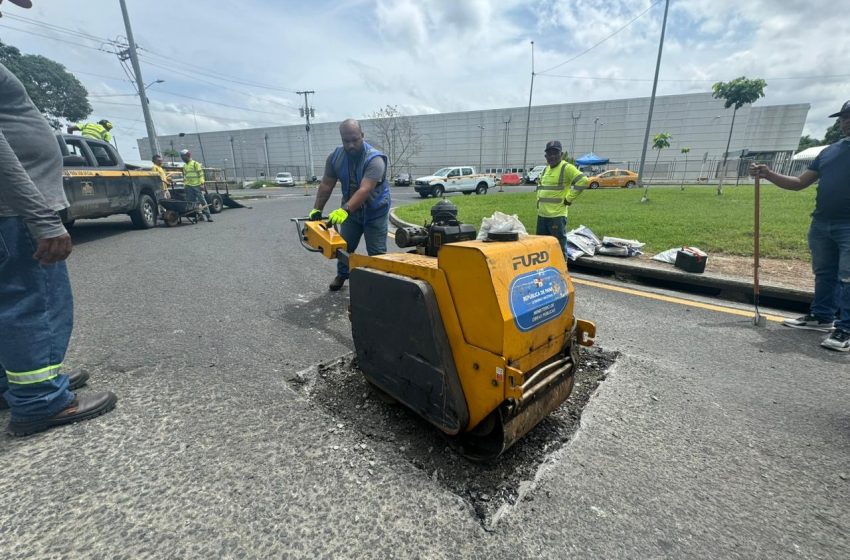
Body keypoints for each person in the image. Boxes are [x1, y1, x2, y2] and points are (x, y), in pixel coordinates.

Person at [0, 57, 117, 434]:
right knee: (33, 302)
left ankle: (15, 387)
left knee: (9, 301)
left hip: (11, 209)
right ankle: (40, 400)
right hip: (13, 211)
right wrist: (40, 215)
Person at [750, 100, 850, 352]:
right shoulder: (828, 152)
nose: (846, 122)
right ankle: (822, 316)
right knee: (825, 272)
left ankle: (845, 328)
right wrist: (768, 174)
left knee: (848, 277)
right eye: (843, 118)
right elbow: (798, 182)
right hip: (823, 221)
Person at [308, 119, 391, 291]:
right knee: (345, 246)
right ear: (341, 139)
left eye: (355, 139)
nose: (351, 144)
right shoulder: (335, 157)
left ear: (362, 136)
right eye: (346, 141)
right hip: (351, 213)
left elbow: (365, 189)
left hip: (374, 211)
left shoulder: (375, 160)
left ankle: (382, 284)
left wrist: (345, 210)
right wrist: (317, 209)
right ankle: (342, 274)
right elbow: (326, 185)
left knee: (377, 251)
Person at [536, 140, 588, 258]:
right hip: (542, 215)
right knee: (541, 246)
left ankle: (561, 271)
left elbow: (583, 180)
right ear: (546, 156)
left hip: (556, 216)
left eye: (555, 153)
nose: (552, 156)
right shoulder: (545, 169)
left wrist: (569, 199)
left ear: (561, 154)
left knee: (558, 246)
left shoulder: (566, 167)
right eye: (550, 154)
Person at [180, 149, 212, 223]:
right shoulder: (184, 166)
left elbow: (201, 174)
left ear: (188, 156)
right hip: (188, 186)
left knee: (202, 201)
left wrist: (202, 184)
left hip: (197, 185)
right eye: (181, 157)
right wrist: (185, 185)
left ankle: (208, 216)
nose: (182, 159)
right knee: (192, 202)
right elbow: (186, 176)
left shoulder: (195, 164)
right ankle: (198, 216)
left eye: (183, 157)